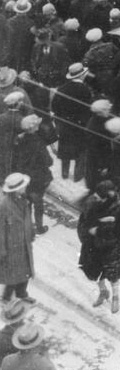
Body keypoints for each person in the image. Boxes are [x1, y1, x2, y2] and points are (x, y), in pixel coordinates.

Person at [78, 180, 120, 314]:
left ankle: (116, 298)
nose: (96, 198)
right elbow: (84, 222)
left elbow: (118, 230)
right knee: (95, 270)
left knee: (112, 273)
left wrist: (98, 230)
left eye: (99, 197)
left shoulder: (117, 208)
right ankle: (103, 292)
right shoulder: (92, 203)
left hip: (110, 245)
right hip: (93, 244)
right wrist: (88, 232)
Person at [50, 62, 92, 182]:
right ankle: (78, 176)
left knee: (65, 148)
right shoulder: (85, 90)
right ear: (82, 75)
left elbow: (54, 106)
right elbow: (87, 109)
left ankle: (64, 173)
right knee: (81, 150)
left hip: (64, 124)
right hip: (79, 125)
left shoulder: (62, 88)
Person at [11, 116, 51, 236]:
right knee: (38, 203)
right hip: (37, 178)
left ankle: (26, 226)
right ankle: (39, 227)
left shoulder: (19, 139)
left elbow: (15, 158)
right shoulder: (38, 142)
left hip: (23, 177)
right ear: (34, 127)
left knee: (26, 202)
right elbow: (48, 161)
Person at [0, 175, 34, 304]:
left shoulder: (24, 200)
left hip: (23, 243)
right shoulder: (4, 205)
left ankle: (22, 294)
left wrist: (31, 232)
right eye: (23, 186)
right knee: (13, 274)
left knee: (25, 271)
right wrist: (2, 250)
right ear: (17, 189)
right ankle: (6, 298)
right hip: (11, 247)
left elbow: (27, 219)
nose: (26, 187)